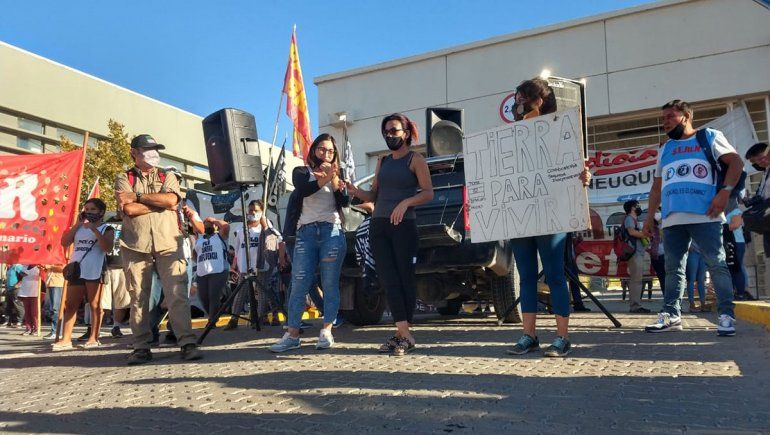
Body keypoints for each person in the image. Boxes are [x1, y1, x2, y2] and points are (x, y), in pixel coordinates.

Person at [488, 78, 592, 357]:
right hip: (522, 214)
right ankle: (529, 335)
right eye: (517, 98)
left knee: (555, 275)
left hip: (551, 214)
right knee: (526, 278)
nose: (518, 104)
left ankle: (562, 337)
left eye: (524, 98)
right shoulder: (510, 136)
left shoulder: (560, 130)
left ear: (540, 100)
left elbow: (573, 168)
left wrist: (583, 177)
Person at [643, 100, 742, 336]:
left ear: (686, 116)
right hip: (672, 219)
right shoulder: (665, 148)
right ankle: (671, 314)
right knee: (673, 269)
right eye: (663, 118)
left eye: (670, 116)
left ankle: (726, 316)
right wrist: (649, 218)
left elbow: (736, 162)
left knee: (716, 264)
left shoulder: (709, 137)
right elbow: (656, 187)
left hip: (706, 215)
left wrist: (725, 192)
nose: (665, 122)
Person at [346, 113, 434, 356]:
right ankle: (403, 334)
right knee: (387, 279)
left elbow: (428, 193)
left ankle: (403, 334)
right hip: (379, 226)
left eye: (394, 130)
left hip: (404, 226)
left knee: (404, 278)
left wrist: (406, 202)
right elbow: (374, 195)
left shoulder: (415, 159)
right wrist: (355, 191)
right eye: (386, 131)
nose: (389, 135)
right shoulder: (383, 161)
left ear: (406, 133)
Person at [115, 134, 201, 364]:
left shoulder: (167, 175)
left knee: (177, 294)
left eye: (156, 149)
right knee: (138, 298)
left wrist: (139, 197)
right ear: (134, 152)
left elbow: (172, 201)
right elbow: (129, 210)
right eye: (147, 149)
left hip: (168, 243)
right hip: (135, 245)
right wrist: (159, 204)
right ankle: (141, 347)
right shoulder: (123, 178)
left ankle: (187, 342)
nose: (153, 153)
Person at [270, 133, 349, 352]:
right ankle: (292, 334)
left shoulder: (336, 176)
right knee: (299, 283)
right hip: (305, 233)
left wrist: (337, 184)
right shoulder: (302, 172)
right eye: (322, 149)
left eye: (331, 151)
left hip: (332, 231)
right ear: (314, 150)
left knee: (329, 282)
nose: (326, 154)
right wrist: (326, 177)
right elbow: (305, 189)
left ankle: (327, 331)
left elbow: (345, 202)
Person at [53, 198, 114, 350]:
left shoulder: (107, 228)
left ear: (101, 212)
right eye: (86, 209)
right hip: (77, 269)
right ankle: (66, 339)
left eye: (93, 209)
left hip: (95, 268)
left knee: (94, 304)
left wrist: (94, 229)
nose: (88, 212)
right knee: (71, 304)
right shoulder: (79, 227)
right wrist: (78, 225)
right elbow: (65, 242)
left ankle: (94, 337)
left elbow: (107, 248)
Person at [744, 142, 770, 295]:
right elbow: (762, 195)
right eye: (755, 162)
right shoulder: (765, 173)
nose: (760, 163)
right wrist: (750, 201)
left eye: (761, 158)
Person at [194, 217, 230, 325]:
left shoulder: (220, 236)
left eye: (210, 224)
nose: (208, 225)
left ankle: (212, 320)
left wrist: (213, 220)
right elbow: (194, 253)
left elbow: (226, 226)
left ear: (215, 226)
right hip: (202, 272)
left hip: (219, 270)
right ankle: (215, 314)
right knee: (203, 297)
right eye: (206, 224)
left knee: (213, 295)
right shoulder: (200, 239)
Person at [623, 200, 651, 313]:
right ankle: (635, 306)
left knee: (637, 279)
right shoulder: (629, 218)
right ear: (632, 208)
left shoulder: (634, 220)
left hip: (638, 252)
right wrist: (645, 235)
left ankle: (636, 304)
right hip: (634, 253)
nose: (639, 207)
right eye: (637, 206)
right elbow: (631, 232)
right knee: (636, 280)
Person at [725, 195, 752, 300]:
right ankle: (732, 293)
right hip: (729, 243)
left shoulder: (736, 211)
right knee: (730, 269)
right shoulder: (725, 213)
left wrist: (720, 226)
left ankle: (741, 293)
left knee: (737, 268)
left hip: (737, 243)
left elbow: (734, 225)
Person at [17, 265, 42, 335]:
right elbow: (21, 275)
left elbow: (42, 276)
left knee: (34, 313)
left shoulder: (39, 267)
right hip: (25, 292)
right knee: (27, 312)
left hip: (35, 293)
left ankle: (36, 328)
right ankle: (28, 328)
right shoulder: (25, 266)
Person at [42, 265, 64, 339]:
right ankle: (54, 331)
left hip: (58, 283)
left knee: (56, 309)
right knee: (53, 309)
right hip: (50, 283)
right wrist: (44, 267)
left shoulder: (59, 258)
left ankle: (57, 332)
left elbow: (63, 268)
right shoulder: (50, 260)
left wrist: (49, 266)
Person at [685, 243, 707, 312]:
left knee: (701, 280)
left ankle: (703, 304)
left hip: (703, 253)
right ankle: (692, 305)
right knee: (691, 279)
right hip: (692, 252)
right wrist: (688, 246)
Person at [3, 263, 25, 327]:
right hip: (9, 289)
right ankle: (8, 321)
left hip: (15, 289)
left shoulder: (18, 266)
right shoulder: (10, 267)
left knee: (18, 305)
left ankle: (20, 321)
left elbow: (24, 276)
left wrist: (18, 284)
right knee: (7, 305)